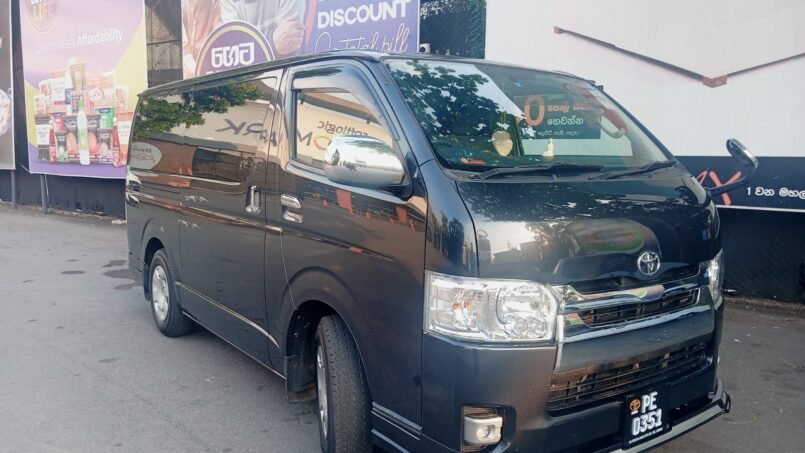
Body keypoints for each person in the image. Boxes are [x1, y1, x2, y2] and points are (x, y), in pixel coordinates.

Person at [220, 0, 307, 57]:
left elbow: (288, 42)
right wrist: (272, 43)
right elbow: (236, 53)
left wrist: (251, 50)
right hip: (247, 77)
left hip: (285, 72)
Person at [182, 0, 223, 79]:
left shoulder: (215, 3)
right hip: (190, 69)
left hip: (210, 66)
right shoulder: (182, 5)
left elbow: (219, 38)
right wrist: (196, 70)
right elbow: (184, 49)